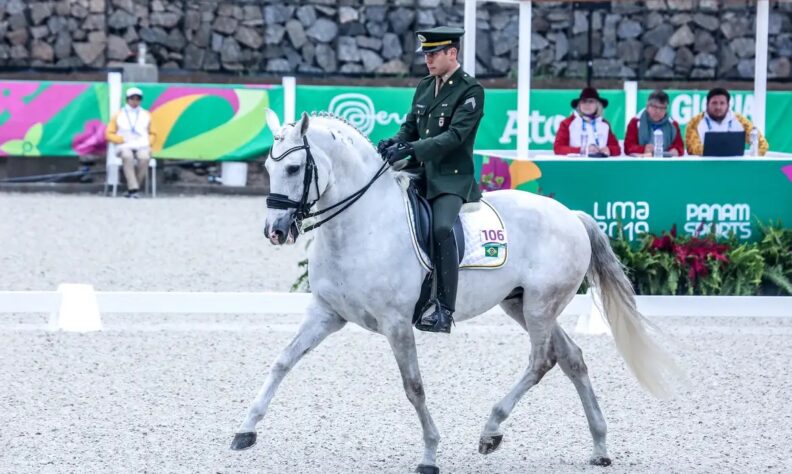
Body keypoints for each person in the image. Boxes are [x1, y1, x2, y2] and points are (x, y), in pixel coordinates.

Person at [377, 26, 484, 334]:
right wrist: (394, 143)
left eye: (433, 53)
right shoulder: (425, 86)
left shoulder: (471, 90)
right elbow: (410, 126)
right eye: (425, 54)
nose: (428, 59)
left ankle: (444, 308)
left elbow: (454, 137)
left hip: (451, 179)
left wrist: (412, 148)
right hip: (420, 172)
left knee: (440, 228)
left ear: (452, 53)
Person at [105, 87, 157, 198]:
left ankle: (133, 188)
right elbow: (109, 133)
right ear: (127, 100)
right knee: (127, 156)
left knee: (144, 158)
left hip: (142, 145)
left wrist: (149, 142)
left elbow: (153, 132)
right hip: (124, 145)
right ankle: (134, 189)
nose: (135, 102)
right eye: (132, 99)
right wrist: (121, 139)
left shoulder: (146, 114)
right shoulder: (118, 115)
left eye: (138, 99)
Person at [685, 87, 769, 156]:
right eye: (714, 103)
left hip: (735, 168)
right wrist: (726, 150)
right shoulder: (694, 122)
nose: (718, 107)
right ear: (707, 104)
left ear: (728, 105)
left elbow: (762, 144)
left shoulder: (740, 121)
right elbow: (692, 149)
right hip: (705, 168)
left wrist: (749, 160)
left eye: (722, 103)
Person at [553, 87, 621, 157]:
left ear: (598, 104)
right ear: (579, 104)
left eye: (591, 101)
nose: (587, 105)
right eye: (584, 101)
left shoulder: (604, 124)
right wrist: (583, 150)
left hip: (600, 166)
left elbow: (617, 149)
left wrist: (609, 150)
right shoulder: (567, 123)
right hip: (575, 165)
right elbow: (558, 148)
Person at [624, 89, 684, 157]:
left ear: (666, 109)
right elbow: (628, 148)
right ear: (647, 106)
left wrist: (675, 150)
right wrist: (643, 149)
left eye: (662, 108)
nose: (658, 111)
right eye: (655, 107)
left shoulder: (673, 125)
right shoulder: (635, 122)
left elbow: (680, 146)